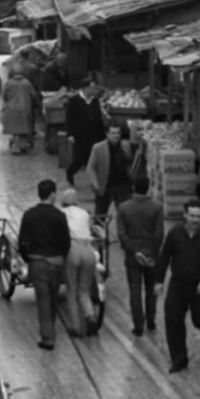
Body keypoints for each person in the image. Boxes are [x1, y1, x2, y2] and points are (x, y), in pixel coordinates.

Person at [154, 200, 200, 373]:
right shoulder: (175, 234)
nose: (195, 220)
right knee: (173, 319)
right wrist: (159, 281)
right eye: (192, 216)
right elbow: (164, 257)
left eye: (198, 216)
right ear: (185, 215)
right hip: (178, 285)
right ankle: (179, 359)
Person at [18, 179, 71, 351]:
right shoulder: (60, 216)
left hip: (37, 262)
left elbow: (22, 241)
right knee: (53, 299)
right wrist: (61, 257)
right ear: (53, 194)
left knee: (43, 300)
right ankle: (50, 330)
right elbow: (66, 242)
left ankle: (48, 338)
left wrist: (28, 259)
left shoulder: (29, 215)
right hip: (56, 262)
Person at [117, 175, 164, 336]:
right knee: (151, 289)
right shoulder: (157, 207)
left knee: (134, 289)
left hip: (133, 255)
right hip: (151, 253)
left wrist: (135, 251)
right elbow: (159, 234)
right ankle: (151, 320)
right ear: (148, 187)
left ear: (133, 187)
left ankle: (138, 325)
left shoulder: (124, 208)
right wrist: (152, 253)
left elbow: (122, 235)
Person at [61, 188, 98, 337]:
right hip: (89, 250)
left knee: (71, 289)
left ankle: (75, 326)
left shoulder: (62, 213)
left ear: (63, 203)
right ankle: (90, 316)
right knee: (84, 289)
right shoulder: (84, 213)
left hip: (73, 249)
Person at [87, 123, 145, 217]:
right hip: (105, 185)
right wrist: (94, 182)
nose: (116, 136)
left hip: (122, 185)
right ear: (107, 134)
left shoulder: (126, 146)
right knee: (100, 214)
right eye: (113, 133)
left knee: (125, 214)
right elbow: (91, 168)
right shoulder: (98, 148)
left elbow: (132, 161)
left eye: (118, 133)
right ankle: (98, 230)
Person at [65, 76, 106, 188]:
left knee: (94, 159)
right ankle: (70, 172)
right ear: (85, 88)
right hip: (80, 135)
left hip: (94, 134)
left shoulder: (95, 101)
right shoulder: (75, 101)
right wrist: (70, 134)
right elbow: (69, 118)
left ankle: (95, 181)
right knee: (80, 158)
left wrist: (103, 135)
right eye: (92, 88)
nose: (94, 90)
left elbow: (98, 118)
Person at [1, 69, 39, 154]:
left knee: (15, 128)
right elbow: (33, 94)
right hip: (25, 106)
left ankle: (16, 146)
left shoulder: (9, 83)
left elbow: (4, 95)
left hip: (12, 107)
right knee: (24, 126)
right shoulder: (26, 82)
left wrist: (6, 102)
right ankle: (22, 145)